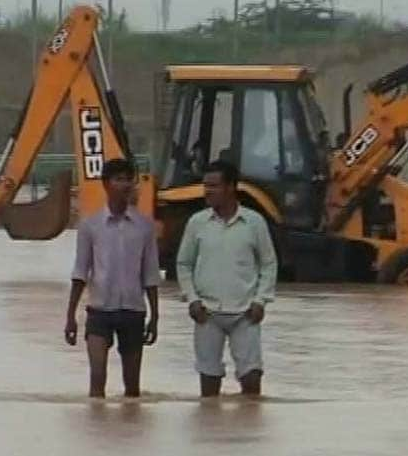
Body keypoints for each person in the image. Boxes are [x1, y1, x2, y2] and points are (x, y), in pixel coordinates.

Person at [176, 160, 278, 397]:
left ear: (231, 187)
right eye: (205, 186)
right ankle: (211, 429)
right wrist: (192, 300)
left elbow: (269, 263)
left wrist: (261, 300)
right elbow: (183, 264)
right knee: (209, 383)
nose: (207, 191)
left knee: (252, 379)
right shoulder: (197, 223)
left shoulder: (254, 223)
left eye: (214, 186)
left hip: (246, 313)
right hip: (207, 313)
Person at [64, 158, 160, 398]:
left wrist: (155, 316)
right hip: (99, 311)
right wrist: (70, 317)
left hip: (132, 311)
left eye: (129, 179)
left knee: (132, 386)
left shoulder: (144, 226)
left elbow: (150, 273)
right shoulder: (90, 225)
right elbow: (80, 272)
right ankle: (97, 429)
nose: (125, 184)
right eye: (119, 179)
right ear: (106, 184)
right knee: (97, 378)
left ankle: (130, 430)